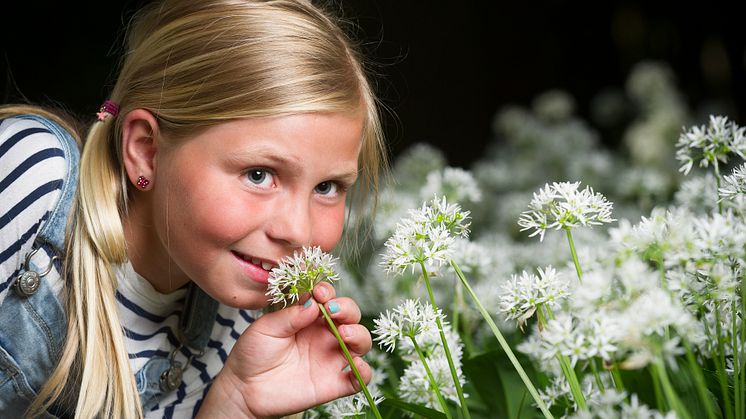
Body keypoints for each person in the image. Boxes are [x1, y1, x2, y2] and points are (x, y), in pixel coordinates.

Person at [0, 0, 387, 417]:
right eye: (259, 175)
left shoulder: (238, 329)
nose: (298, 230)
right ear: (146, 151)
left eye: (327, 187)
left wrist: (233, 403)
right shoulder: (35, 178)